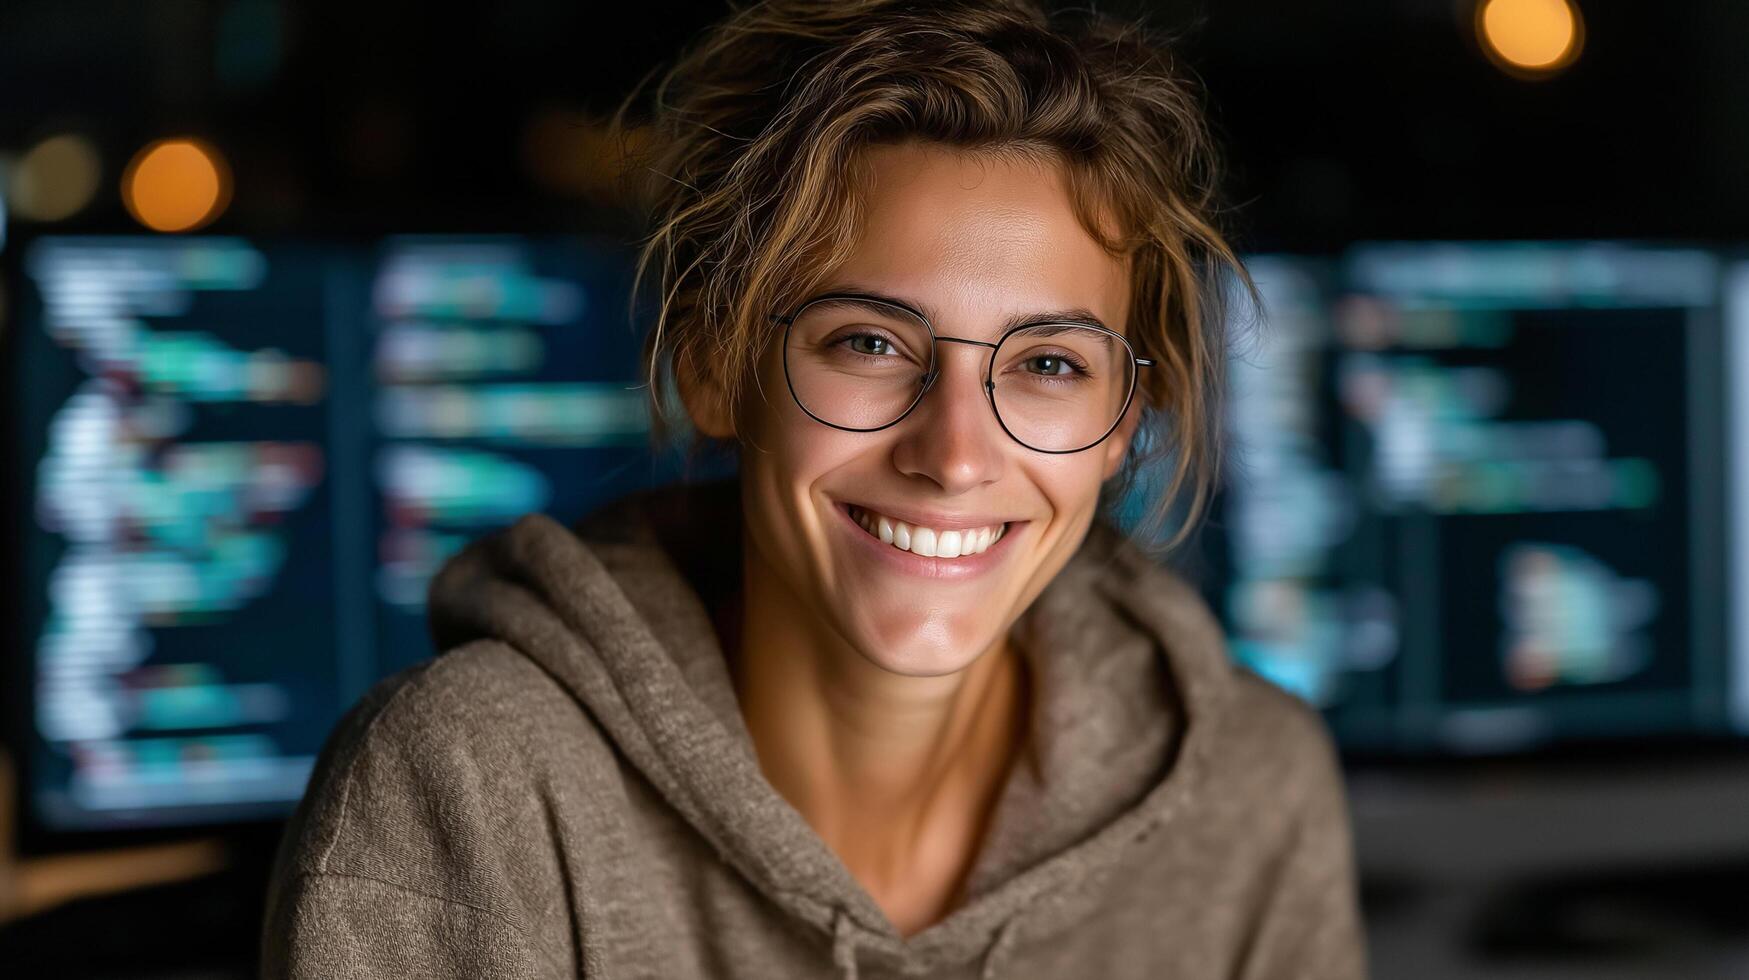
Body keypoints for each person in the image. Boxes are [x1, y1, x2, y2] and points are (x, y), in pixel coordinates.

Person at [261, 1, 1367, 976]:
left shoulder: (1253, 785)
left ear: (1124, 422)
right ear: (713, 367)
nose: (955, 455)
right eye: (869, 343)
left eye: (1047, 363)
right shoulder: (466, 786)